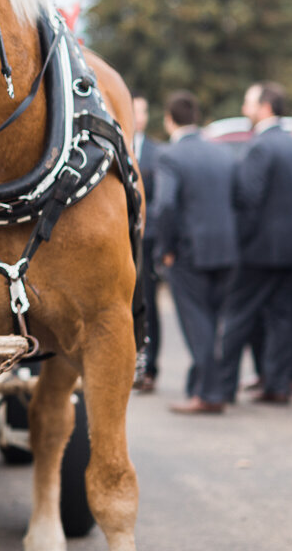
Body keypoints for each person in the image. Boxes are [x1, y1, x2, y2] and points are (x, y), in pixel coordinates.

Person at [216, 82, 292, 405]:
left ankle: (221, 388)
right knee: (283, 317)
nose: (244, 109)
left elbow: (248, 198)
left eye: (248, 103)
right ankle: (278, 385)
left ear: (265, 108)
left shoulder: (259, 146)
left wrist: (240, 241)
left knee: (238, 316)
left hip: (259, 248)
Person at [150, 92, 238, 414]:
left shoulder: (170, 155)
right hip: (226, 249)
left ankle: (209, 394)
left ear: (169, 119)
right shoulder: (223, 153)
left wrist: (166, 249)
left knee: (197, 323)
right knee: (213, 322)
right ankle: (210, 386)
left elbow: (165, 205)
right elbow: (241, 199)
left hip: (189, 252)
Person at [131, 95, 163, 392]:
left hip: (146, 240)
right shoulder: (106, 144)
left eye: (143, 111)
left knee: (148, 303)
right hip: (115, 240)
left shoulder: (157, 152)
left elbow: (162, 200)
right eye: (134, 110)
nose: (138, 116)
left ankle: (149, 367)